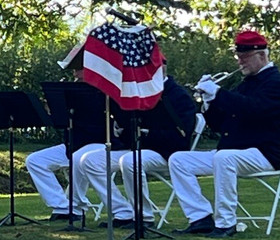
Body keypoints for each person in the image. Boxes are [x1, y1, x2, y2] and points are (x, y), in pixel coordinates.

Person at [168, 30, 280, 238]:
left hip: (263, 153)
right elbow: (221, 125)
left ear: (262, 56)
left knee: (224, 157)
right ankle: (200, 217)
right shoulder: (244, 84)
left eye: (244, 58)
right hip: (231, 153)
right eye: (238, 57)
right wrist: (209, 103)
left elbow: (254, 109)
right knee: (179, 160)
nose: (239, 63)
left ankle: (226, 222)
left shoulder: (277, 83)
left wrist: (219, 94)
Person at [76, 73, 197, 226]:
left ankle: (144, 217)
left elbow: (181, 137)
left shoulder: (178, 95)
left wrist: (146, 133)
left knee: (130, 161)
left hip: (166, 152)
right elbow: (132, 132)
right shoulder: (142, 91)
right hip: (140, 148)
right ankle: (122, 212)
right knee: (90, 161)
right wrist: (122, 128)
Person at [24, 77, 117, 221]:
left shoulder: (100, 92)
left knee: (79, 158)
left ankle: (76, 208)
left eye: (78, 68)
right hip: (72, 144)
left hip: (97, 144)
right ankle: (62, 206)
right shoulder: (67, 93)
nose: (75, 73)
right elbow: (59, 122)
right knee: (35, 160)